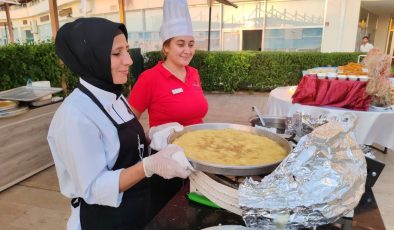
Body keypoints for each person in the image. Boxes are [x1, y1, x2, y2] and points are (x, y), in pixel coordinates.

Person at [47, 17, 193, 230]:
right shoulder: (74, 116)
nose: (129, 60)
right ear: (91, 58)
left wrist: (155, 136)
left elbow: (120, 146)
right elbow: (94, 188)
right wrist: (148, 166)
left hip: (136, 210)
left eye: (127, 50)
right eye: (117, 53)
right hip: (105, 220)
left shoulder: (113, 95)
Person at [127, 0, 208, 216]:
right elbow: (128, 120)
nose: (187, 50)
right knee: (170, 215)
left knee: (198, 212)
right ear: (166, 46)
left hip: (199, 155)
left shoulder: (194, 74)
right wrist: (145, 143)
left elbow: (196, 114)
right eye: (180, 44)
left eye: (191, 44)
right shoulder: (149, 78)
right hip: (167, 162)